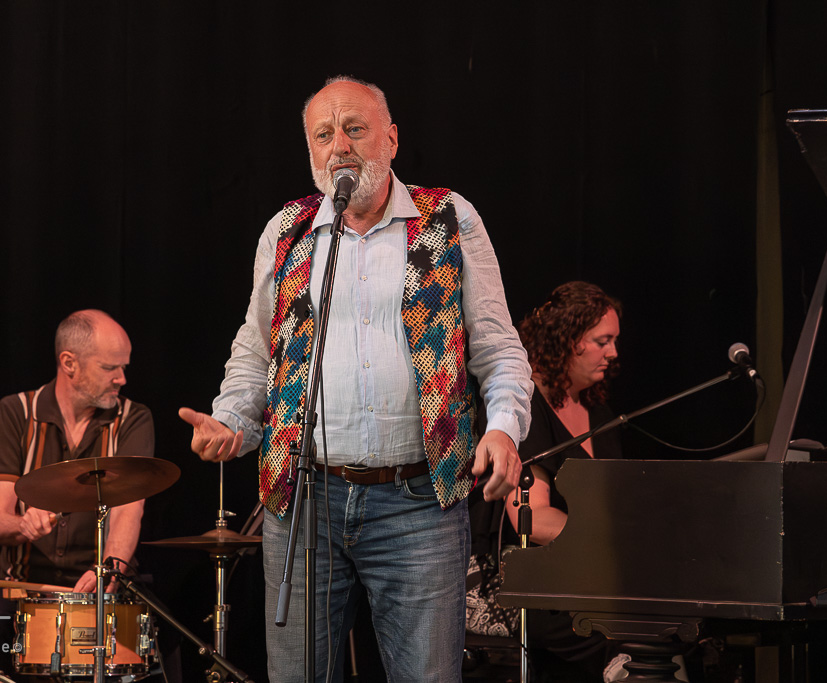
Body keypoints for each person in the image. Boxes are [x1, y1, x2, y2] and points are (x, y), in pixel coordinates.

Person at [179, 75, 532, 682]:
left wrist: (503, 428)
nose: (339, 145)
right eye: (323, 135)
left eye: (354, 128)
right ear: (310, 152)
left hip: (418, 504)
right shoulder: (288, 232)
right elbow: (256, 352)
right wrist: (231, 420)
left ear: (391, 139)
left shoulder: (447, 217)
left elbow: (499, 349)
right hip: (304, 501)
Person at [0, 309, 153, 668]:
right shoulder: (16, 412)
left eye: (124, 367)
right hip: (21, 590)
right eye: (110, 368)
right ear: (69, 363)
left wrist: (109, 570)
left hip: (101, 586)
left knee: (158, 655)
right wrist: (22, 524)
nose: (122, 378)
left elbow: (128, 511)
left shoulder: (133, 418)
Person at [503, 282, 623, 679]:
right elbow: (533, 519)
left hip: (591, 578)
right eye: (602, 341)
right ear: (568, 341)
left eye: (614, 341)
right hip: (529, 581)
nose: (613, 353)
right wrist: (611, 547)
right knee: (621, 627)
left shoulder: (599, 413)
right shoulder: (526, 407)